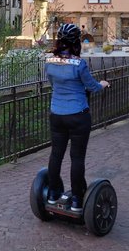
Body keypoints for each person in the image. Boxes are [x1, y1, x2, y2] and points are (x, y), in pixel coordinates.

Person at [45, 24, 109, 211]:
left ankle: (53, 193)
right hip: (78, 115)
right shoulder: (79, 64)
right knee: (77, 158)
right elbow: (92, 87)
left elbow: (52, 84)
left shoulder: (49, 61)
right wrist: (103, 84)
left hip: (56, 113)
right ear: (76, 42)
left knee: (56, 154)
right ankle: (76, 200)